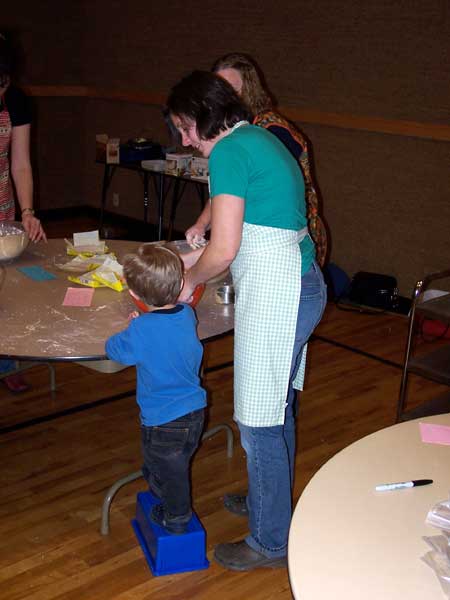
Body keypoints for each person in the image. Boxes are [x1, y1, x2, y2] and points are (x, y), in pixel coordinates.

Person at [166, 71, 327, 570]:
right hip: (301, 283)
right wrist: (195, 254)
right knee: (276, 407)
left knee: (257, 420)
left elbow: (224, 249)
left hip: (285, 292)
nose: (184, 139)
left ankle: (270, 541)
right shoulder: (254, 136)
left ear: (204, 116)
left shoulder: (230, 152)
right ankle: (269, 501)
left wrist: (185, 280)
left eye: (185, 128)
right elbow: (228, 222)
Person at [186, 52, 327, 267]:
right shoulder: (235, 134)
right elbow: (227, 192)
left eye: (231, 89)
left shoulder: (272, 131)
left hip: (291, 244)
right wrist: (201, 224)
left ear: (249, 90)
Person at [105, 244, 206, 534]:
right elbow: (165, 333)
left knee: (169, 470)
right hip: (194, 413)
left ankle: (177, 516)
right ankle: (165, 496)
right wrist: (143, 327)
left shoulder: (141, 331)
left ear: (135, 296)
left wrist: (133, 330)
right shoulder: (187, 313)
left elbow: (114, 351)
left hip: (163, 420)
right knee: (165, 464)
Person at [0, 33, 46, 393]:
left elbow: (20, 164)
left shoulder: (16, 100)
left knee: (7, 288)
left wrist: (27, 211)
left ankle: (7, 359)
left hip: (2, 207)